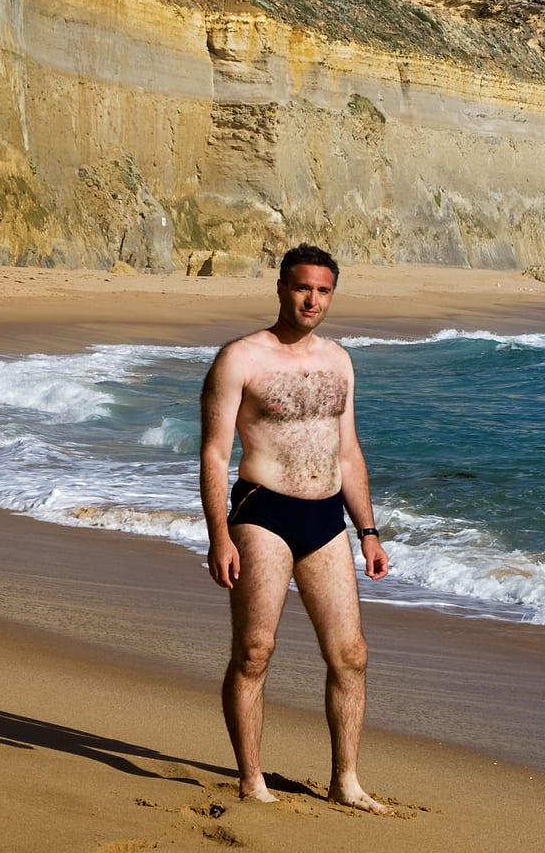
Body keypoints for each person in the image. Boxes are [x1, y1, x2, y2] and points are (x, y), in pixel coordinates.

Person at [198, 243, 392, 813]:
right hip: (263, 512)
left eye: (323, 290)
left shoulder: (339, 362)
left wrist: (369, 530)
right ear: (281, 286)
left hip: (326, 517)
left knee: (350, 655)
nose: (312, 299)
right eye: (302, 287)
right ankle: (251, 780)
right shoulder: (241, 358)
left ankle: (346, 780)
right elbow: (214, 453)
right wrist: (219, 534)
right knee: (255, 651)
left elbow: (349, 451)